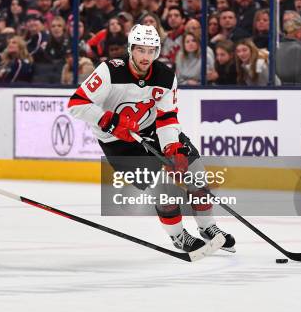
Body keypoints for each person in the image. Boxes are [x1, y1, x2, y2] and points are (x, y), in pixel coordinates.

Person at [67, 24, 235, 253]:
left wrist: (172, 147)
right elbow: (77, 104)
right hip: (118, 142)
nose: (145, 57)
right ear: (130, 50)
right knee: (164, 189)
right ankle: (178, 236)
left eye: (151, 51)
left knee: (197, 174)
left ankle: (208, 227)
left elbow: (167, 117)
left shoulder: (165, 76)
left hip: (154, 129)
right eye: (140, 50)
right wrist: (110, 121)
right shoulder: (109, 71)